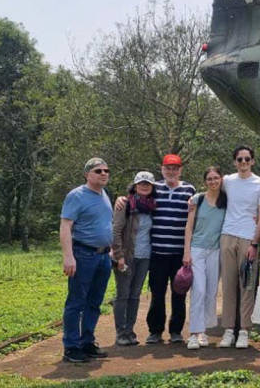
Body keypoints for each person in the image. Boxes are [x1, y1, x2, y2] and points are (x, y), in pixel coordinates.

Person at [59, 157, 114, 363]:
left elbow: (105, 223)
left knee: (94, 302)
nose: (103, 174)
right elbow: (66, 226)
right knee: (76, 302)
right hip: (83, 255)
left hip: (103, 256)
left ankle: (87, 342)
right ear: (87, 174)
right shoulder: (77, 195)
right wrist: (68, 256)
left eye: (106, 171)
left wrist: (109, 250)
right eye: (98, 171)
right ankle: (71, 346)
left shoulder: (104, 194)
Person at [218, 145, 260, 349]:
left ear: (253, 161)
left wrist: (255, 243)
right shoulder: (227, 181)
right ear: (234, 162)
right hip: (227, 236)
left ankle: (244, 330)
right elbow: (212, 191)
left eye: (247, 159)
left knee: (247, 285)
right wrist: (194, 199)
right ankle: (228, 330)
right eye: (239, 159)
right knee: (228, 285)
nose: (243, 162)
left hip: (248, 238)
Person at [146, 154, 196, 344]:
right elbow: (136, 197)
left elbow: (194, 218)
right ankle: (155, 331)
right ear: (162, 169)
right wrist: (122, 199)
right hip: (157, 252)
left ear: (180, 170)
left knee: (179, 293)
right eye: (168, 168)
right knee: (157, 294)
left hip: (179, 253)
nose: (171, 172)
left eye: (175, 168)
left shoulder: (189, 190)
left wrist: (188, 251)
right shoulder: (154, 188)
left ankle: (176, 331)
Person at [182, 167, 227, 349]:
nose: (213, 181)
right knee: (198, 290)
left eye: (216, 178)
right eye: (209, 179)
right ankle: (194, 333)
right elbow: (189, 227)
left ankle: (203, 332)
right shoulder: (197, 200)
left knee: (211, 292)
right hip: (197, 250)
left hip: (216, 251)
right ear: (205, 181)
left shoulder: (226, 201)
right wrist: (187, 252)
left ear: (221, 179)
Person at [111, 171, 157, 347]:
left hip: (145, 257)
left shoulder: (153, 206)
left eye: (148, 184)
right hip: (127, 256)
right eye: (141, 183)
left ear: (152, 187)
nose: (144, 186)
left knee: (135, 295)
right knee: (123, 294)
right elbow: (116, 231)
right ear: (135, 186)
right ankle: (121, 332)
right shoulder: (125, 204)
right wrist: (119, 256)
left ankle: (130, 331)